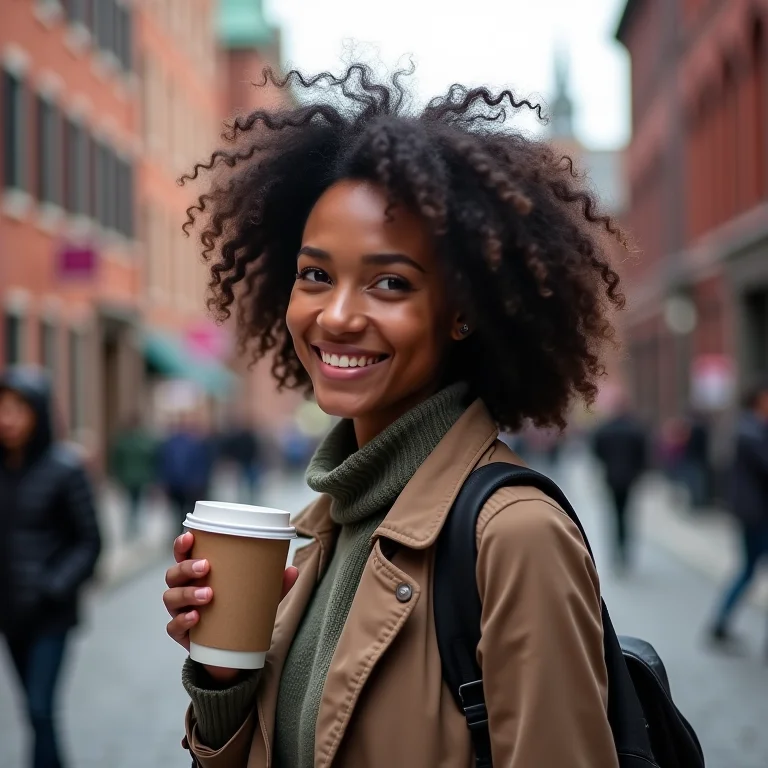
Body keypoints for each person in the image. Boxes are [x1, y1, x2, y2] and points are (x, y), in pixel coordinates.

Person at [163, 65, 628, 767]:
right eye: (315, 275)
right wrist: (224, 678)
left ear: (463, 312)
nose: (339, 316)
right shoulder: (329, 521)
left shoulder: (515, 539)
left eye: (390, 283)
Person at [0, 366, 102, 768]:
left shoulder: (65, 469)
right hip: (10, 613)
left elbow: (90, 541)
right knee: (31, 709)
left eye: (17, 409)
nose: (7, 418)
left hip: (49, 615)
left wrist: (53, 586)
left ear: (38, 414)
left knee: (41, 708)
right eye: (2, 408)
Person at [707, 379, 768, 649]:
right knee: (747, 569)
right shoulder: (751, 430)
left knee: (747, 569)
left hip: (754, 512)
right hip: (757, 514)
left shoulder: (750, 428)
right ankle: (719, 624)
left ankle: (720, 623)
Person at [592, 398, 648, 571]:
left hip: (611, 477)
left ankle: (615, 551)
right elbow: (642, 454)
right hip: (629, 478)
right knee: (626, 515)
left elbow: (597, 451)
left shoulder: (605, 429)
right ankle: (624, 551)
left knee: (613, 514)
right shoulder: (634, 429)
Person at [158, 410, 215, 535]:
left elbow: (202, 464)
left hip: (190, 485)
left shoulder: (197, 443)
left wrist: (200, 482)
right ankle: (179, 532)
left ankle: (184, 532)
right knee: (177, 511)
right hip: (176, 484)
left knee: (187, 510)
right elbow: (165, 463)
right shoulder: (172, 443)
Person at [108, 413, 157, 539]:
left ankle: (131, 527)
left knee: (131, 503)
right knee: (138, 503)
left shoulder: (124, 441)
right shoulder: (144, 441)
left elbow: (116, 461)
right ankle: (135, 527)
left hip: (129, 478)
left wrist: (116, 477)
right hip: (140, 478)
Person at [218, 422, 263, 504]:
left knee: (250, 482)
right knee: (243, 482)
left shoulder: (250, 437)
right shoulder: (243, 437)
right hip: (244, 462)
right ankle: (245, 497)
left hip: (249, 462)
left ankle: (251, 497)